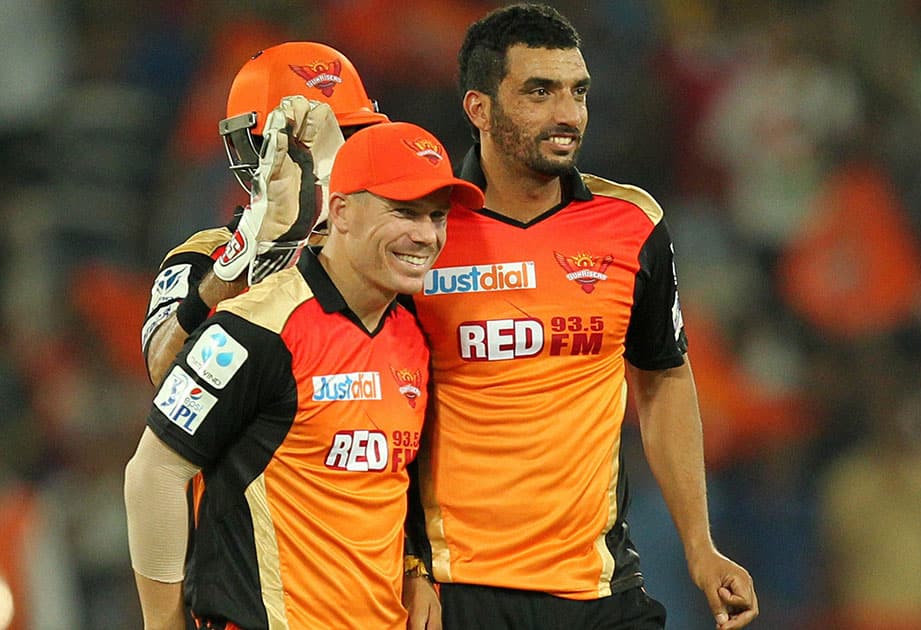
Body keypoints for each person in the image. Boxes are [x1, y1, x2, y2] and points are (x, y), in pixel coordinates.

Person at [405, 4, 758, 629]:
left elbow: (662, 379)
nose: (568, 114)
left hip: (600, 588)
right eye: (539, 92)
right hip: (459, 591)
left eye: (578, 92)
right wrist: (408, 566)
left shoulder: (633, 224)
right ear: (478, 108)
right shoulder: (420, 231)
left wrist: (700, 546)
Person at [123, 119, 484, 629]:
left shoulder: (412, 336)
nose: (425, 236)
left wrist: (416, 568)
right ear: (340, 211)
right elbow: (152, 474)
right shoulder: (254, 329)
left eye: (437, 217)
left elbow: (388, 487)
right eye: (404, 212)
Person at [142, 41, 389, 388]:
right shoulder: (206, 253)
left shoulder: (394, 244)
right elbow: (163, 373)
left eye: (346, 138)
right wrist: (233, 268)